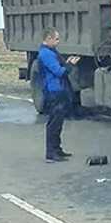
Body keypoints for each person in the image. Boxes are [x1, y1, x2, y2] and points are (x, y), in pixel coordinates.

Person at [37, 28, 80, 162]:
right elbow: (59, 72)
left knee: (58, 121)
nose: (58, 42)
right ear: (48, 39)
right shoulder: (46, 54)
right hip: (53, 91)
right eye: (56, 39)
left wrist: (67, 63)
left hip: (57, 89)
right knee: (54, 123)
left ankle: (57, 149)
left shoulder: (50, 52)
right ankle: (51, 152)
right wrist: (70, 65)